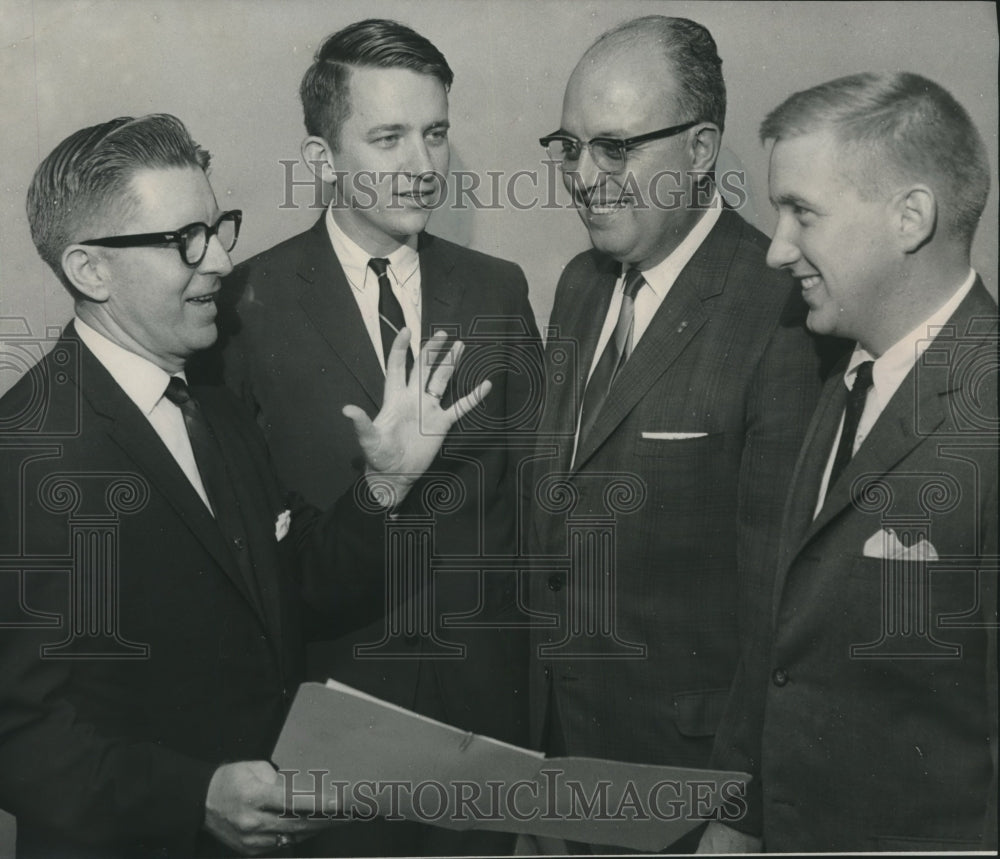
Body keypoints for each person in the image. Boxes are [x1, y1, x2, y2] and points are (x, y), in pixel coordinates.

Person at [0, 113, 488, 858]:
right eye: (184, 240)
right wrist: (194, 795)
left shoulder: (212, 403)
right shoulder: (26, 448)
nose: (223, 260)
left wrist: (388, 481)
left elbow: (292, 588)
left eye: (219, 227)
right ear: (88, 269)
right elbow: (21, 735)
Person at [199, 18, 542, 855]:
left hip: (484, 738)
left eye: (435, 134)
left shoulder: (498, 290)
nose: (423, 166)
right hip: (324, 742)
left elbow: (537, 502)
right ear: (322, 160)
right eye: (388, 137)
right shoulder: (241, 304)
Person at [526, 15, 832, 849]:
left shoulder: (784, 310)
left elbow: (784, 609)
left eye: (616, 148)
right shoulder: (580, 286)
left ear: (701, 152)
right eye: (569, 145)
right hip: (557, 775)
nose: (584, 177)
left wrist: (741, 813)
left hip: (690, 794)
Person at [701, 71, 998, 853]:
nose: (776, 249)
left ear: (911, 217)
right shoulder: (843, 378)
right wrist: (737, 824)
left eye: (803, 213)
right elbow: (784, 646)